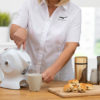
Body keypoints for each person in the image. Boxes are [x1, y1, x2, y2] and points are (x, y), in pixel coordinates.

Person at [10, 0, 81, 83]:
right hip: (28, 78)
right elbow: (12, 31)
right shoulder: (29, 4)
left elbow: (71, 46)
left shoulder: (74, 11)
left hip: (58, 80)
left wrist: (53, 70)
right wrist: (19, 30)